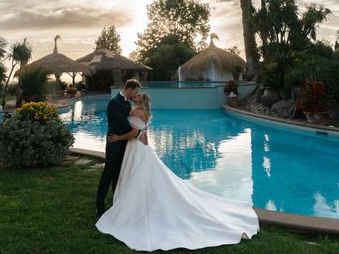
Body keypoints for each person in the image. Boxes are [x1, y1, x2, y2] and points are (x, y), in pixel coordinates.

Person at [96, 92, 259, 251]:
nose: (135, 96)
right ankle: (136, 200)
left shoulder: (137, 111)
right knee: (141, 175)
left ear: (141, 100)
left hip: (137, 147)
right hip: (138, 147)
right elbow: (141, 130)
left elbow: (134, 132)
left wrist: (117, 138)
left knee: (139, 176)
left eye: (138, 95)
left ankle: (137, 205)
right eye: (136, 94)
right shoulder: (142, 111)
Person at [95, 78, 141, 217]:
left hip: (125, 144)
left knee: (119, 175)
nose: (135, 94)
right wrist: (139, 132)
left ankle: (116, 202)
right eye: (135, 91)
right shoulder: (114, 103)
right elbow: (123, 124)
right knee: (108, 175)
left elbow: (131, 118)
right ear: (129, 89)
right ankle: (99, 205)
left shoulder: (127, 103)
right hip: (114, 144)